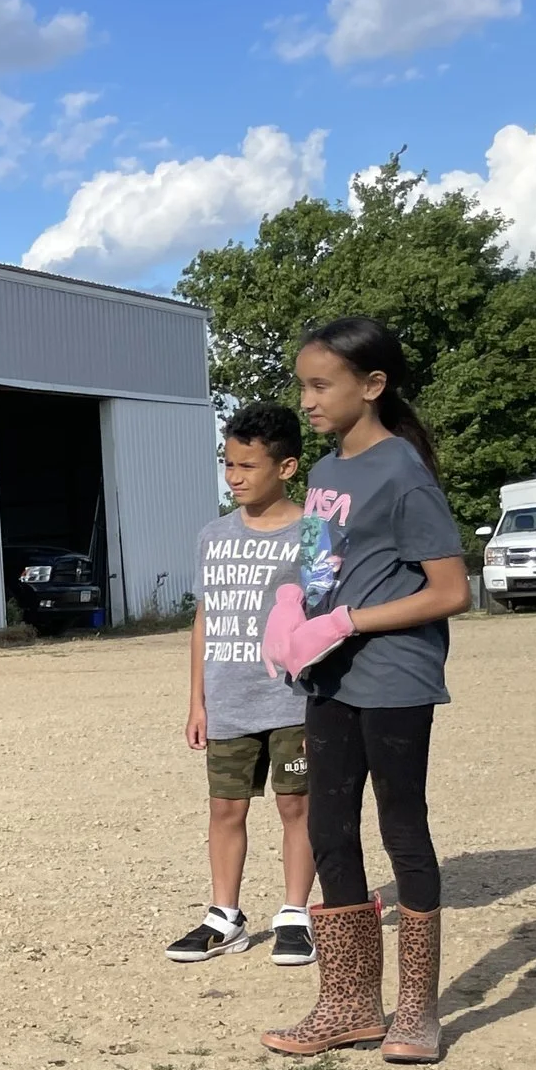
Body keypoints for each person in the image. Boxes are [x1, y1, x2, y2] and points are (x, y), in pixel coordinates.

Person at [257, 316, 469, 1065]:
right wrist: (292, 611)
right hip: (331, 680)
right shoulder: (324, 472)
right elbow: (316, 570)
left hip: (396, 677)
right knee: (328, 829)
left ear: (372, 386)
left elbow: (451, 590)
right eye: (302, 384)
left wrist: (349, 619)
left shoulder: (403, 472)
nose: (308, 400)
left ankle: (417, 1010)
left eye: (322, 384)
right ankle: (348, 1003)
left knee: (402, 829)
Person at [173, 402, 314, 966]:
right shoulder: (214, 535)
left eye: (247, 466)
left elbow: (328, 613)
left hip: (292, 699)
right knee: (225, 810)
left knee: (296, 807)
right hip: (228, 700)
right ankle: (223, 916)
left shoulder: (314, 533)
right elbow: (206, 618)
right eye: (228, 464)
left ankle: (295, 915)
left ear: (286, 467)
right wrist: (197, 700)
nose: (234, 477)